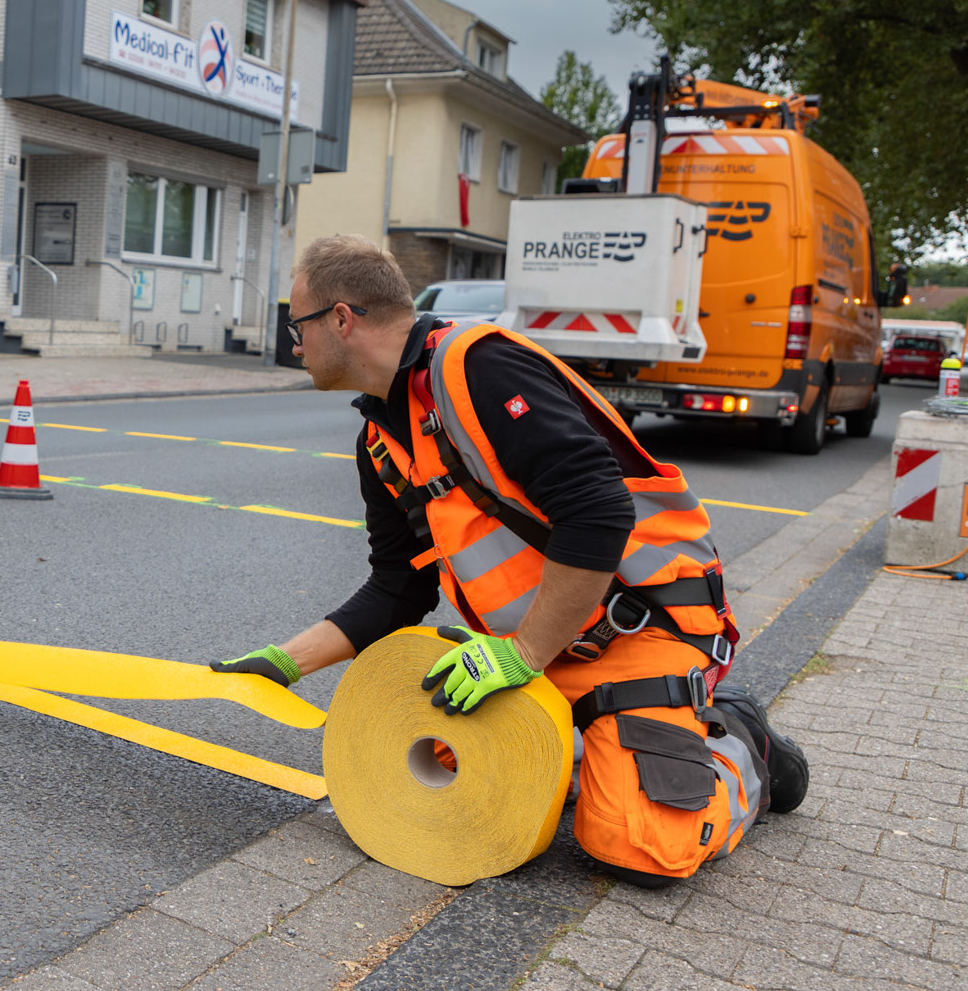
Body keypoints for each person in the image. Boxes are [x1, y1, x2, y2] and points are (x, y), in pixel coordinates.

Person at [212, 235, 807, 887]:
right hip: (526, 656)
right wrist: (284, 663)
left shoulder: (480, 369)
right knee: (439, 769)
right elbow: (398, 587)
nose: (294, 345)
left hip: (640, 634)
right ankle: (593, 745)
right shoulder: (382, 439)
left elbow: (599, 514)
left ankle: (742, 740)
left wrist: (522, 655)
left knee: (639, 847)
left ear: (342, 319)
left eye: (296, 325)